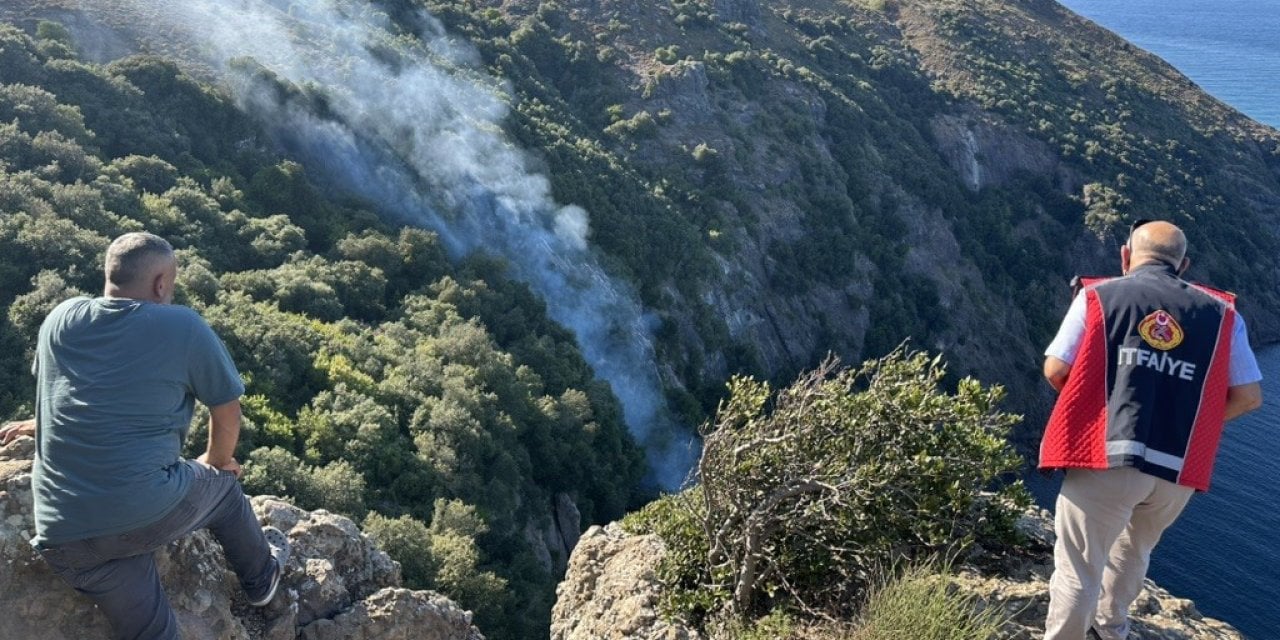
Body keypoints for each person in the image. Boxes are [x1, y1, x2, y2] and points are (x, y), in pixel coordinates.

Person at [0, 232, 290, 640]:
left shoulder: (59, 319)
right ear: (161, 283)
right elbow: (227, 414)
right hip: (141, 514)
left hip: (64, 536)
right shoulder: (182, 326)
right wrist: (215, 464)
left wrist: (37, 424)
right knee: (224, 486)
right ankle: (263, 581)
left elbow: (64, 390)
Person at [1038, 220, 1263, 640]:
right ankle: (1111, 631)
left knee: (1079, 567)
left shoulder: (1098, 296)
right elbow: (1249, 396)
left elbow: (1056, 368)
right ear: (1184, 264)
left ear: (1125, 256)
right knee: (1133, 554)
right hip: (1174, 470)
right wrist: (1193, 423)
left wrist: (1092, 408)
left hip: (1107, 458)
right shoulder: (1224, 315)